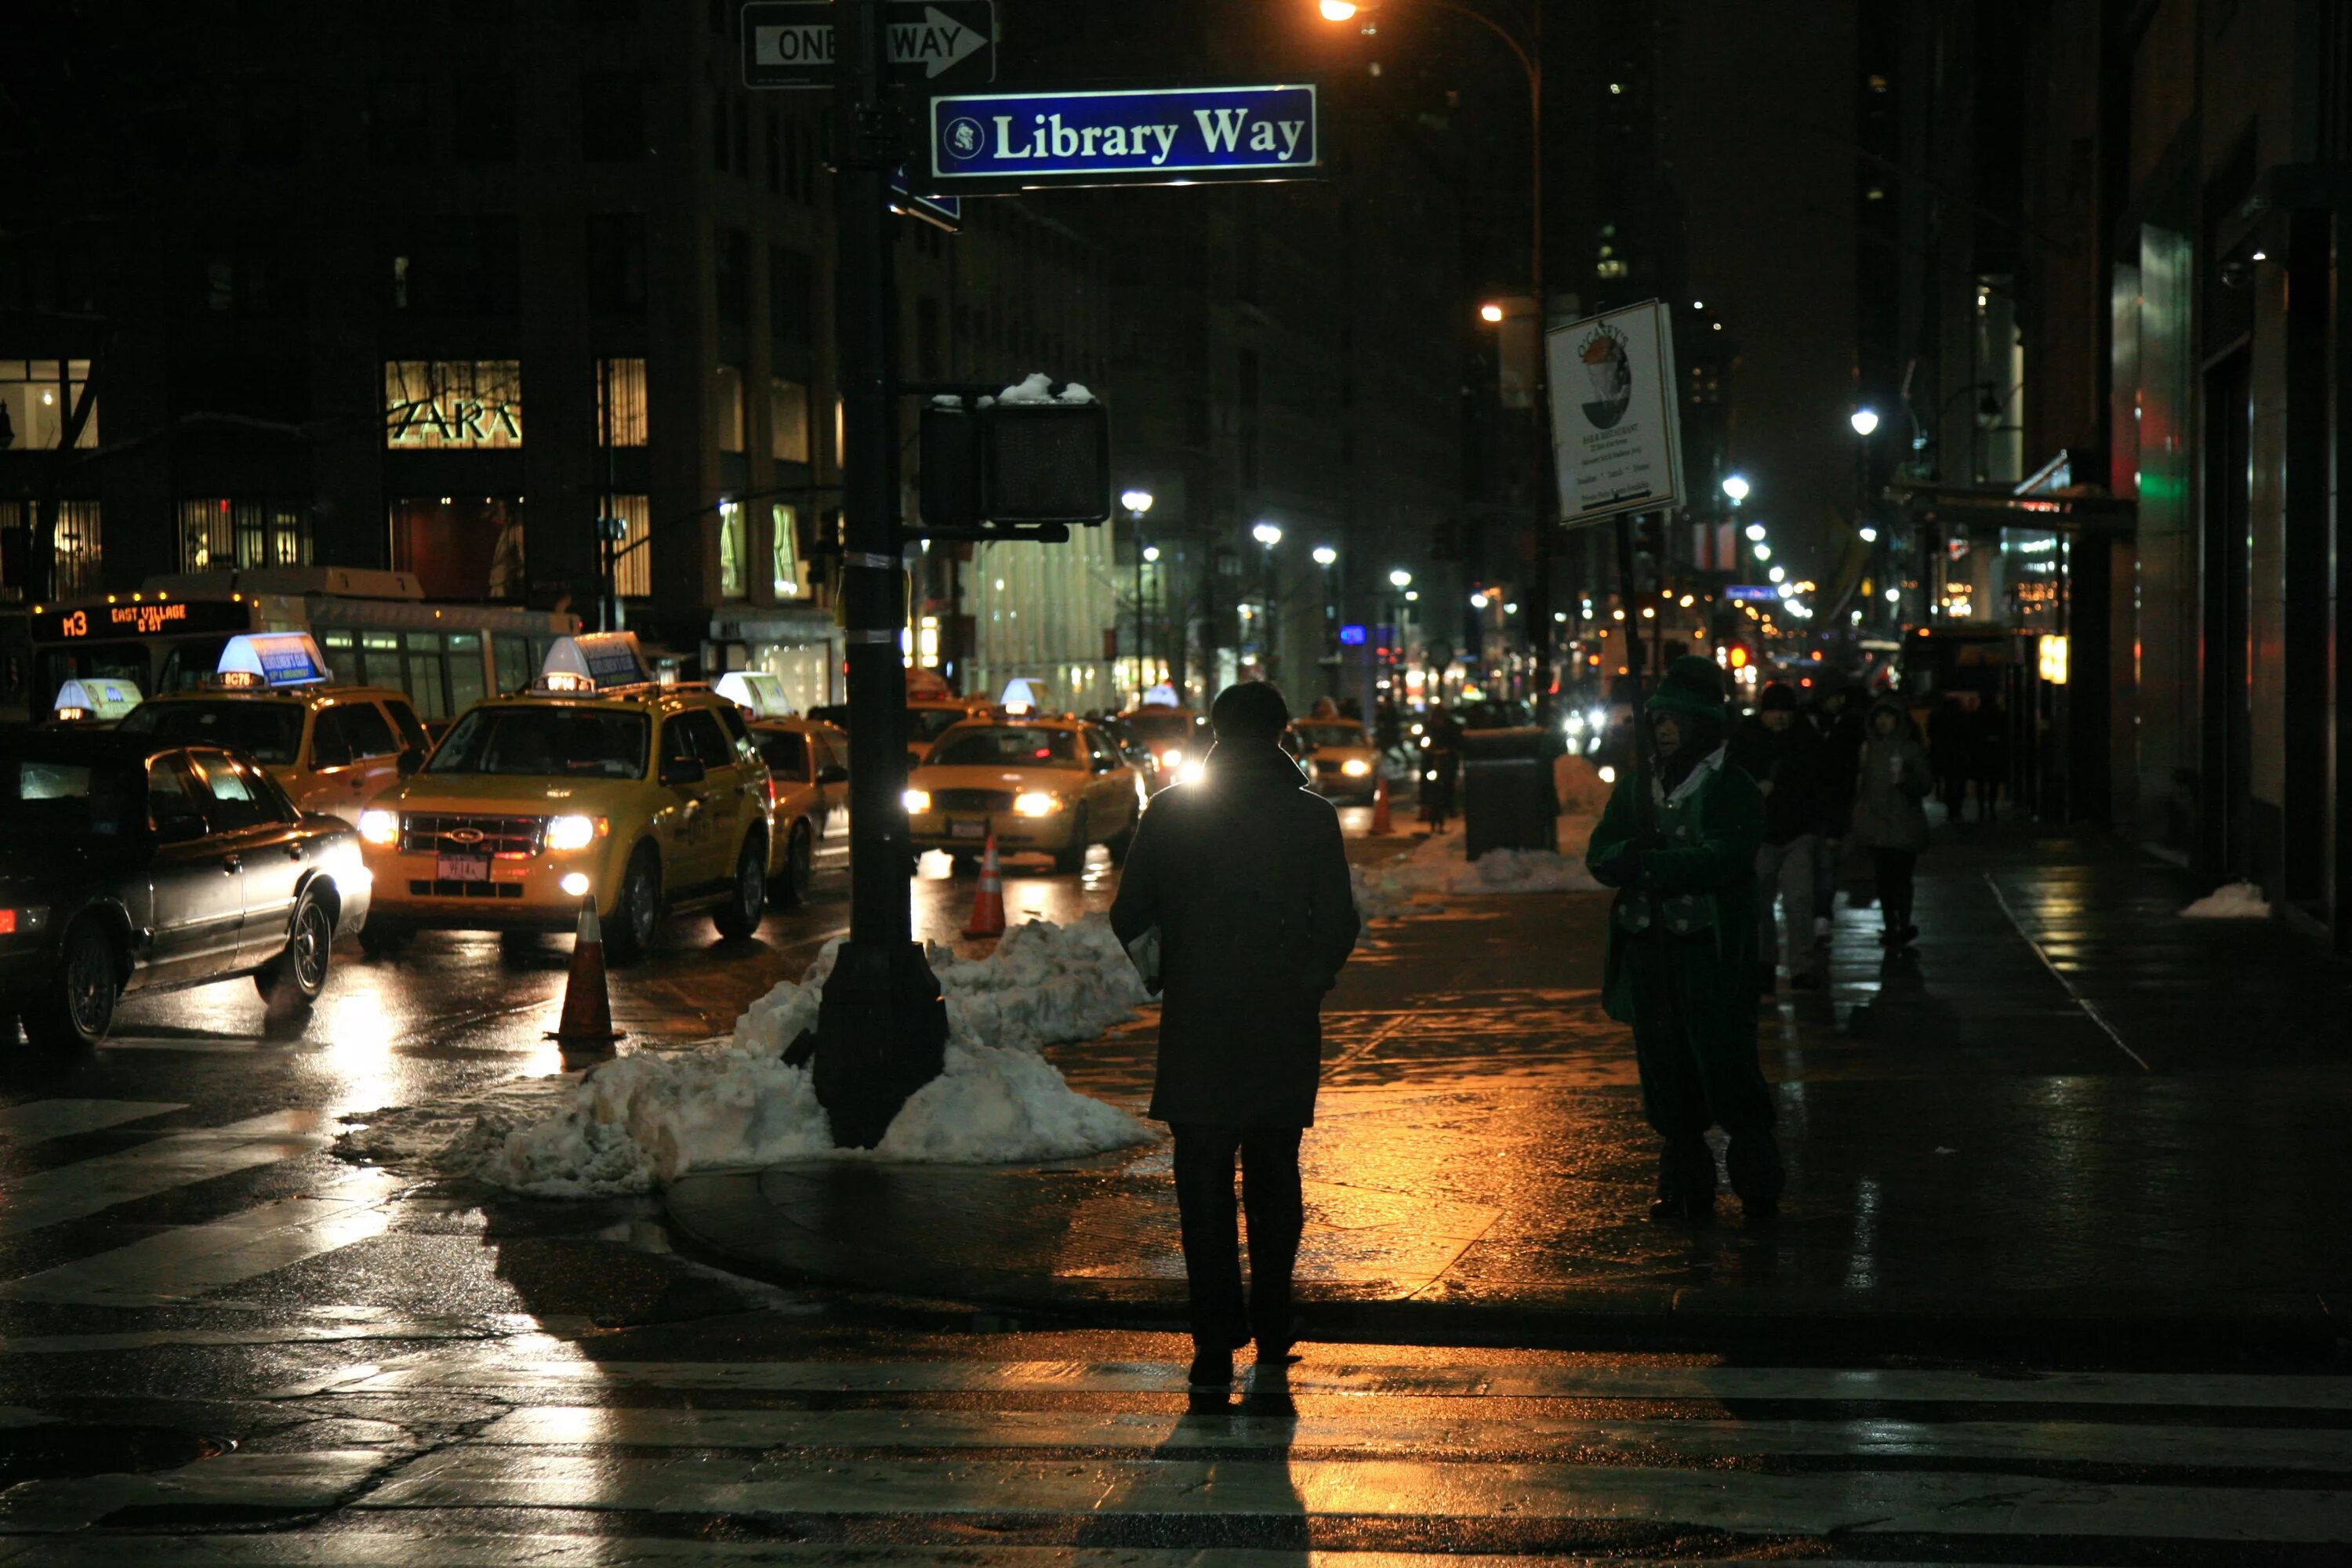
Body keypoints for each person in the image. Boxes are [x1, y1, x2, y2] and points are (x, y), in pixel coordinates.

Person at [1109, 681, 1359, 1389]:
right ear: (1283, 731)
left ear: (1213, 732)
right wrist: (1305, 980)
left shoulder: (1169, 812)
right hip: (1280, 1023)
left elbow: (1131, 913)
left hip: (1199, 1025)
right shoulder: (1311, 817)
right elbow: (1338, 922)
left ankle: (1213, 1339)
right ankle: (1275, 1326)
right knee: (1275, 1177)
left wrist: (1172, 975)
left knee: (1204, 1186)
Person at [1587, 655, 1784, 1222]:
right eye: (1659, 719)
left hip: (1709, 952)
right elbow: (1600, 851)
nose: (1665, 728)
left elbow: (1725, 856)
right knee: (1664, 1067)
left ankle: (1756, 1182)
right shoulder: (1636, 788)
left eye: (1676, 719)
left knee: (1725, 1064)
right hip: (1650, 953)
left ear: (1703, 723)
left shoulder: (1732, 786)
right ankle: (1685, 1181)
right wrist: (1623, 856)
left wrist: (1656, 865)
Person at [1729, 682, 1824, 993]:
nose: (1779, 719)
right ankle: (1763, 964)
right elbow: (1731, 779)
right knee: (1759, 904)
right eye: (1774, 712)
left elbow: (1821, 782)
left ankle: (1802, 968)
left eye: (1785, 713)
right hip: (1762, 834)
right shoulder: (1746, 739)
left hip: (1798, 832)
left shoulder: (1806, 739)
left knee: (1799, 900)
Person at [1853, 695, 1932, 948]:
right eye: (1879, 717)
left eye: (1888, 717)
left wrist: (1906, 779)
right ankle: (1891, 926)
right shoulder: (1868, 749)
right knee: (1884, 880)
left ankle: (1903, 923)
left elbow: (1924, 784)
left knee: (1901, 877)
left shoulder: (1910, 749)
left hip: (1903, 824)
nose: (1883, 722)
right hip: (1877, 824)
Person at [1806, 683, 1864, 935]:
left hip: (1830, 805)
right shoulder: (1831, 727)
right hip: (1820, 805)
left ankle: (1820, 915)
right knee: (1820, 865)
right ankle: (1820, 915)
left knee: (1825, 865)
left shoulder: (1844, 727)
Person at [1926, 692, 1973, 820]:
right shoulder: (1963, 717)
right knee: (1959, 781)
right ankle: (1957, 807)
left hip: (1943, 753)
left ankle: (1951, 809)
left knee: (1949, 780)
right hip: (1959, 754)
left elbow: (1930, 733)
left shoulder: (1937, 717)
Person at [1419, 702, 1461, 833]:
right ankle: (1425, 806)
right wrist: (1425, 747)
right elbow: (1421, 741)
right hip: (1431, 759)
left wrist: (1450, 751)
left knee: (1448, 782)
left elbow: (1458, 743)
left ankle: (1449, 807)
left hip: (1446, 760)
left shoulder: (1452, 727)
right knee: (1425, 782)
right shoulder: (1428, 727)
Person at [1970, 697, 2008, 822]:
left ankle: (1982, 809)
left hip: (1981, 753)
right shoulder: (1999, 716)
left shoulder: (1978, 716)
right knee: (1993, 783)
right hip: (1993, 753)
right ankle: (1990, 808)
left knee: (1982, 783)